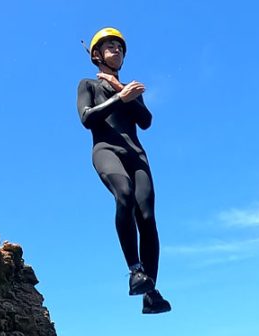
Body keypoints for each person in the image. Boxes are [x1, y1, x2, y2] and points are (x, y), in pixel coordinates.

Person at [77, 27, 171, 314]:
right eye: (110, 46)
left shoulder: (129, 89)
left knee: (147, 217)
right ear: (96, 55)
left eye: (119, 47)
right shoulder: (87, 85)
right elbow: (87, 118)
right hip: (106, 150)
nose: (116, 50)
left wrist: (121, 90)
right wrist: (120, 98)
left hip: (136, 155)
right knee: (125, 196)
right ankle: (134, 271)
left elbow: (146, 121)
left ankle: (150, 291)